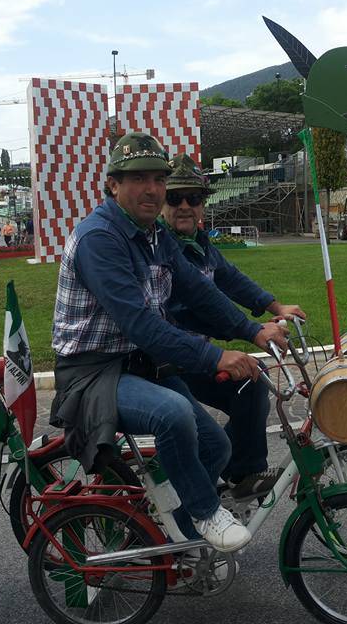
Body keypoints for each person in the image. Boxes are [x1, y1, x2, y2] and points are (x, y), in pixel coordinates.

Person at [49, 132, 288, 553]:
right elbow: (140, 323)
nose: (153, 190)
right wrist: (216, 354)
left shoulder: (156, 236)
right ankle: (205, 512)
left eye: (158, 179)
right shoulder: (100, 239)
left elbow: (200, 289)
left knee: (216, 444)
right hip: (92, 372)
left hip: (139, 363)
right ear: (113, 184)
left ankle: (173, 536)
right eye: (139, 178)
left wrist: (254, 329)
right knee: (173, 414)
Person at [161, 154, 306, 499]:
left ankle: (242, 472)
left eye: (194, 199)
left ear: (203, 206)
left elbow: (231, 279)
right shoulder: (165, 247)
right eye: (175, 198)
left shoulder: (199, 244)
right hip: (172, 357)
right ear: (163, 204)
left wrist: (276, 307)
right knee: (211, 441)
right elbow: (196, 306)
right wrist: (252, 331)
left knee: (252, 383)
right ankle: (190, 503)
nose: (185, 206)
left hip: (199, 356)